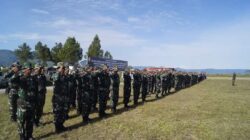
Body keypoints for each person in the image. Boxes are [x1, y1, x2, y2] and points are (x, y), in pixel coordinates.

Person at [17, 62, 38, 140]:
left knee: (30, 120)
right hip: (23, 103)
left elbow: (35, 90)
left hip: (31, 103)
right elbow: (11, 79)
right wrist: (15, 71)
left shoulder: (32, 78)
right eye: (29, 69)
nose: (31, 70)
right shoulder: (20, 78)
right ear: (24, 69)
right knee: (21, 121)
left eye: (31, 69)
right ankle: (22, 137)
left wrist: (35, 100)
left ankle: (29, 136)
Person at [52, 62, 68, 133]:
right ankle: (57, 128)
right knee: (58, 113)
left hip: (64, 97)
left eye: (64, 68)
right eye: (63, 68)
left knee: (63, 112)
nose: (64, 69)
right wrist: (59, 71)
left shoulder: (64, 76)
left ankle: (61, 125)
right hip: (58, 98)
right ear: (58, 68)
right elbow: (53, 78)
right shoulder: (55, 75)